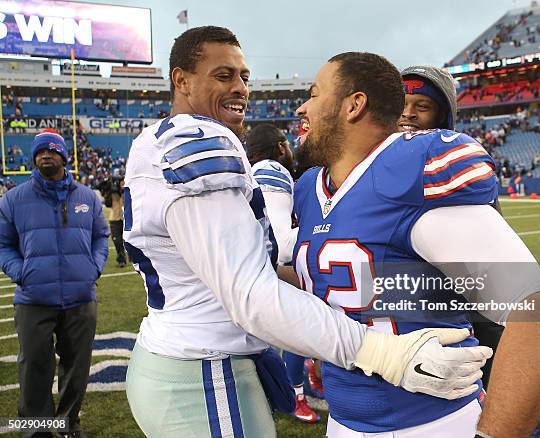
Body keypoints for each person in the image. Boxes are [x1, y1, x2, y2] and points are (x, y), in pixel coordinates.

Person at [123, 26, 492, 437]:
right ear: (181, 80)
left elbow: (529, 312)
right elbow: (252, 294)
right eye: (224, 75)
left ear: (354, 106)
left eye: (244, 76)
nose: (243, 88)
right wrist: (383, 351)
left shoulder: (423, 165)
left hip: (427, 413)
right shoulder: (238, 158)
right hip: (208, 364)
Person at [294, 52, 540, 437]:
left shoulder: (416, 169)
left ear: (355, 105)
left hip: (427, 422)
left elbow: (538, 320)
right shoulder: (309, 188)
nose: (302, 107)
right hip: (342, 419)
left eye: (314, 93)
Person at [398, 64, 505, 390]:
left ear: (442, 116)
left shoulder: (456, 160)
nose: (408, 113)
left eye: (422, 106)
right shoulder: (372, 160)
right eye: (401, 103)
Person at [0, 129, 109, 438]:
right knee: (34, 366)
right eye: (39, 151)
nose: (45, 155)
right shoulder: (14, 199)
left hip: (80, 295)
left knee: (77, 367)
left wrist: (94, 267)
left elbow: (101, 236)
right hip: (34, 297)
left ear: (64, 155)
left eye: (52, 150)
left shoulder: (87, 196)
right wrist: (22, 272)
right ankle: (37, 430)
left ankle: (69, 423)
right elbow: (3, 244)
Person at [246, 124, 320, 423]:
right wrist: (323, 235)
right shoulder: (272, 169)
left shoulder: (259, 170)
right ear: (279, 147)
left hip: (259, 268)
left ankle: (303, 384)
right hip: (273, 269)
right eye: (286, 144)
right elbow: (275, 238)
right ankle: (295, 395)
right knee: (298, 330)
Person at [99, 174, 127, 267]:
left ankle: (131, 256)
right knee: (117, 240)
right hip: (114, 219)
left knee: (128, 240)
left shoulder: (127, 191)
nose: (123, 184)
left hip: (125, 219)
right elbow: (101, 188)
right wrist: (108, 182)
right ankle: (121, 259)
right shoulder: (112, 192)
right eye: (121, 182)